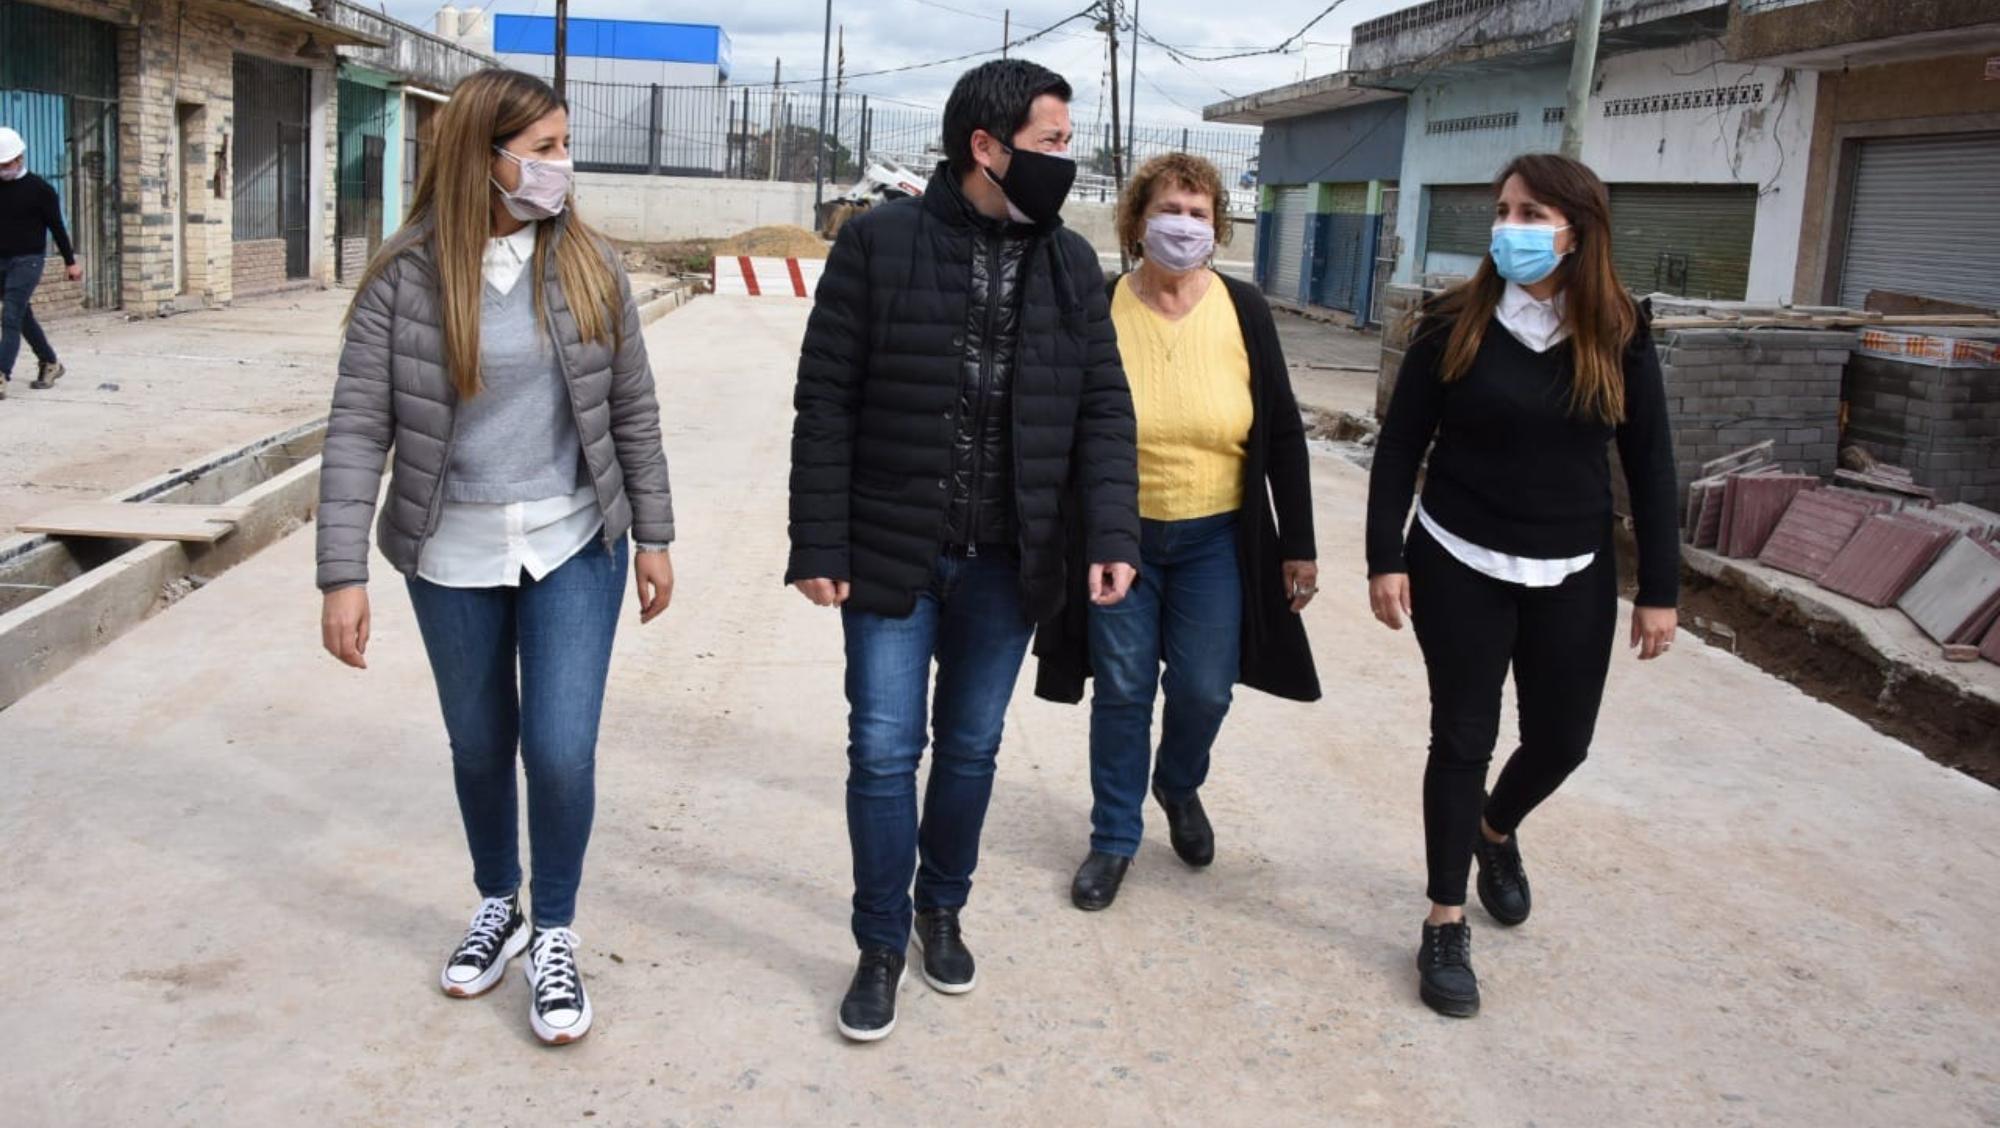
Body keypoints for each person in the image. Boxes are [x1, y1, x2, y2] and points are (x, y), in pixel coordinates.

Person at [315, 68, 676, 1046]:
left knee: (557, 749)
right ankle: (498, 904)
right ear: (485, 156)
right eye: (545, 147)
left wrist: (654, 533)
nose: (563, 165)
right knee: (479, 745)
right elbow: (356, 429)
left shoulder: (590, 265)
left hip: (572, 544)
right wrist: (340, 573)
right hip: (449, 551)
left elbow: (633, 409)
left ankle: (554, 928)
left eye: (564, 145)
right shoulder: (407, 277)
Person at [787, 58, 1141, 1043]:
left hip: (1006, 560)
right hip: (891, 553)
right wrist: (817, 537)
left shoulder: (1072, 265)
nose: (1067, 162)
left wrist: (1109, 530)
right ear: (985, 147)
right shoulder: (878, 245)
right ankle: (878, 942)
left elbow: (1102, 412)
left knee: (972, 748)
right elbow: (825, 402)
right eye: (1053, 143)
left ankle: (940, 907)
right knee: (882, 751)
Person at [1364, 153, 1679, 1019]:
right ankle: (1443, 921)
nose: (1511, 228)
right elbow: (1399, 446)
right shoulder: (1452, 322)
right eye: (1505, 211)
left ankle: (1493, 831)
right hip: (1458, 557)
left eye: (1532, 214)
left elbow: (1650, 465)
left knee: (1562, 742)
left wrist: (1662, 586)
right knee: (1461, 738)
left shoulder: (1621, 331)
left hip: (1573, 569)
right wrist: (1383, 557)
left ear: (1578, 231)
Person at [1034, 153, 1320, 911]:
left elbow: (1284, 433)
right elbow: (1063, 424)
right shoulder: (1098, 304)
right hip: (1118, 538)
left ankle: (1178, 781)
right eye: (1169, 211)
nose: (1183, 227)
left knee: (1204, 687)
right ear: (1135, 223)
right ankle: (1114, 837)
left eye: (1198, 215)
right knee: (1124, 690)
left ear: (1219, 227)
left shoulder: (1244, 310)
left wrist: (1300, 544)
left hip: (1216, 537)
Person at [0, 126, 81, 397]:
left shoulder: (40, 190)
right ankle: (49, 361)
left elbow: (57, 227)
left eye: (6, 163)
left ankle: (2, 374)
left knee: (10, 315)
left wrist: (70, 261)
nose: (3, 169)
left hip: (28, 260)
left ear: (20, 158)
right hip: (2, 259)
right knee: (22, 316)